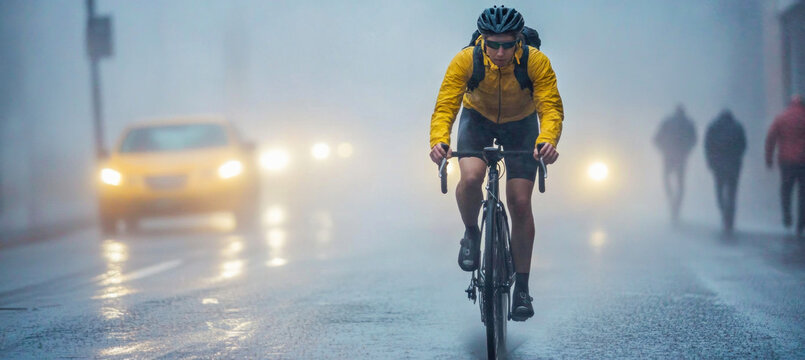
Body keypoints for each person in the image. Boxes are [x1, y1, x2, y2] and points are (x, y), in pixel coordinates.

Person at [428, 6, 563, 321]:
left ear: (518, 40)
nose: (500, 52)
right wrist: (439, 141)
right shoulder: (466, 60)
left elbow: (550, 105)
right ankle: (472, 232)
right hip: (478, 120)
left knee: (519, 201)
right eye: (493, 44)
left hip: (522, 125)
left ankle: (523, 290)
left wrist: (548, 140)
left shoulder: (535, 61)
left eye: (507, 44)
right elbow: (446, 104)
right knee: (472, 178)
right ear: (482, 41)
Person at [765, 95, 805, 236]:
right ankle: (801, 224)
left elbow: (770, 138)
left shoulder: (781, 118)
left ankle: (787, 217)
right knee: (803, 194)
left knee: (786, 190)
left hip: (786, 162)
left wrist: (769, 159)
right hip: (803, 162)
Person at [704, 110, 746, 233]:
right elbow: (743, 145)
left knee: (719, 189)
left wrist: (710, 162)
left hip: (718, 165)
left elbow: (707, 146)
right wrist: (737, 157)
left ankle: (723, 210)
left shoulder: (713, 126)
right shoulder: (738, 126)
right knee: (732, 193)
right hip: (734, 165)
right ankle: (730, 219)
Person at [653, 105, 697, 224]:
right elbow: (694, 140)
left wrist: (664, 150)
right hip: (681, 157)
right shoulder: (688, 123)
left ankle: (672, 202)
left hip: (669, 157)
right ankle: (676, 206)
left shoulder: (668, 122)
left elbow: (656, 139)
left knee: (667, 181)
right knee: (680, 184)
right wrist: (686, 151)